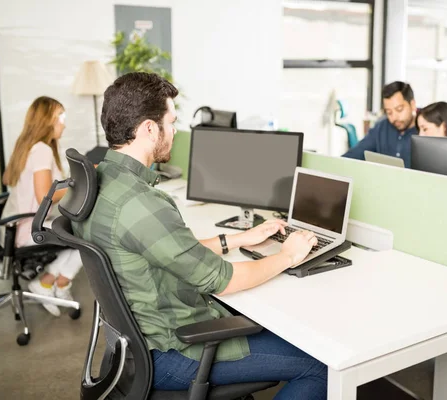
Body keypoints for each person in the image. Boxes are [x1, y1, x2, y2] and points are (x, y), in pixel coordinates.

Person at [72, 72, 327, 398]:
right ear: (150, 129)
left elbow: (165, 249)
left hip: (133, 348)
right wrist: (287, 255)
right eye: (172, 121)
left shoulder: (103, 182)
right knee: (318, 366)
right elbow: (225, 280)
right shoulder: (141, 204)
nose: (175, 131)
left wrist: (235, 239)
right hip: (175, 352)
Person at [2, 96, 83, 317]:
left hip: (17, 227)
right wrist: (80, 183)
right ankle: (59, 283)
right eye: (61, 118)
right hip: (30, 229)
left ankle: (47, 284)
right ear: (47, 120)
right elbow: (43, 196)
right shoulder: (42, 150)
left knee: (78, 231)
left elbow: (7, 179)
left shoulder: (27, 146)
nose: (64, 124)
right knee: (89, 235)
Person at [343, 81, 418, 167]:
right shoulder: (381, 127)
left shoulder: (426, 129)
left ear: (412, 105)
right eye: (389, 112)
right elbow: (356, 153)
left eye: (399, 109)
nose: (394, 117)